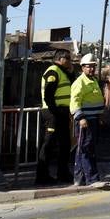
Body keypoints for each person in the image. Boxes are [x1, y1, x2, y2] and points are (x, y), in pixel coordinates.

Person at [35, 49, 74, 184]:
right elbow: (48, 95)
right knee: (48, 145)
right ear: (61, 59)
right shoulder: (53, 71)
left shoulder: (62, 72)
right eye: (68, 59)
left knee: (65, 145)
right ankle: (42, 176)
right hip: (53, 113)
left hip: (61, 113)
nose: (70, 61)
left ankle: (63, 174)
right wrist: (56, 112)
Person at [69, 53, 107, 188]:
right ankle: (92, 179)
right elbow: (74, 102)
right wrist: (80, 117)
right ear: (82, 68)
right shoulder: (80, 82)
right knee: (86, 149)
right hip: (85, 121)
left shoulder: (93, 80)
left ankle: (79, 178)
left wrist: (101, 114)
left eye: (93, 66)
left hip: (94, 119)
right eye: (88, 67)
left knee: (84, 149)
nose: (91, 69)